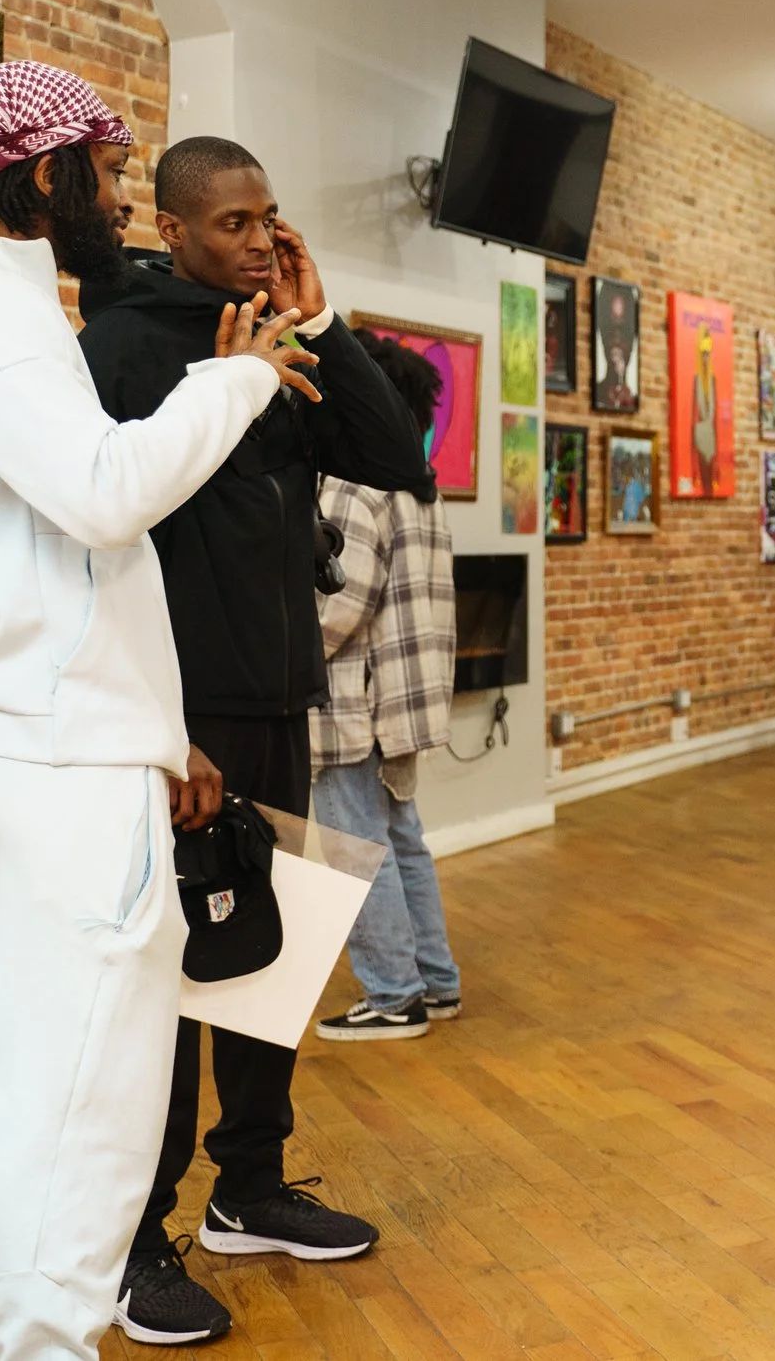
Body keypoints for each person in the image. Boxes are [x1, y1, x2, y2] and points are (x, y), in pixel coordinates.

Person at [0, 61, 315, 1361]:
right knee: (85, 1134)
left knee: (15, 1092)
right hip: (61, 766)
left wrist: (156, 735)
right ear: (43, 177)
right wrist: (243, 378)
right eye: (101, 171)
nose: (112, 195)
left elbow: (74, 560)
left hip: (51, 744)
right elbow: (106, 497)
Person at [78, 135, 433, 1345]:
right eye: (231, 224)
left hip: (287, 705)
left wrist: (321, 325)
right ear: (173, 229)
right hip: (187, 721)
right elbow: (97, 543)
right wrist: (161, 730)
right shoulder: (125, 345)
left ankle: (250, 1190)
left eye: (267, 219)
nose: (255, 242)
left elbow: (398, 464)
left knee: (275, 968)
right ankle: (135, 1240)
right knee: (171, 994)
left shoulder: (275, 331)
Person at [309, 329, 462, 1040]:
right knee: (402, 839)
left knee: (350, 848)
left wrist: (279, 647)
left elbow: (340, 604)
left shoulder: (352, 484)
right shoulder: (420, 489)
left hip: (353, 704)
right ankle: (435, 983)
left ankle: (394, 994)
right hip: (404, 702)